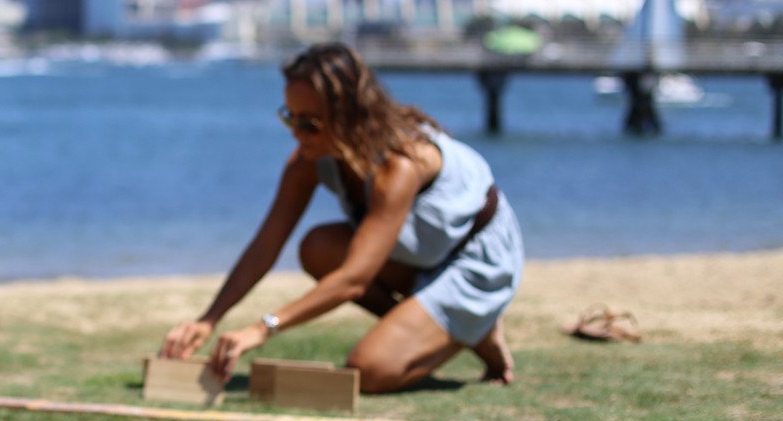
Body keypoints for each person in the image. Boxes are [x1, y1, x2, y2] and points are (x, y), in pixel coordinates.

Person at [160, 42, 522, 393]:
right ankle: (454, 328)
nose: (297, 134)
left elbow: (354, 280)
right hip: (423, 252)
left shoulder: (401, 164)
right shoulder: (309, 159)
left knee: (370, 370)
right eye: (290, 118)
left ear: (350, 115)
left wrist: (262, 328)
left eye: (310, 123)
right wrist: (209, 319)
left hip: (474, 261)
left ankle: (467, 325)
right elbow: (265, 246)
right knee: (318, 248)